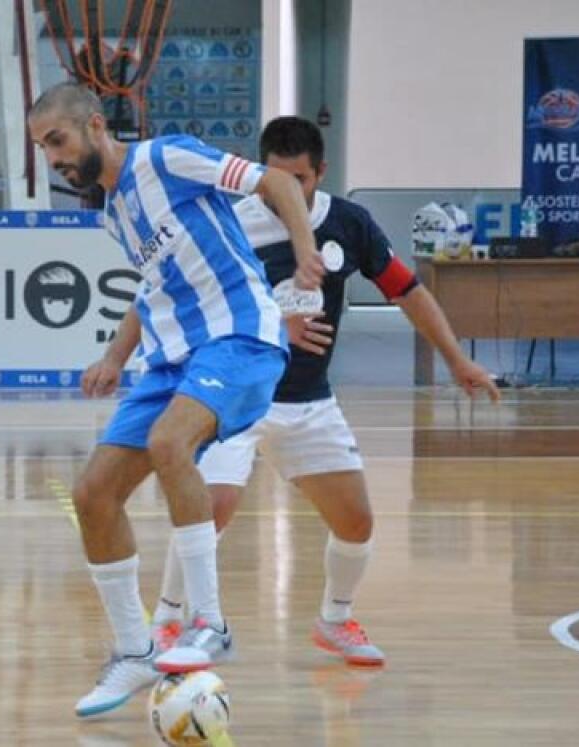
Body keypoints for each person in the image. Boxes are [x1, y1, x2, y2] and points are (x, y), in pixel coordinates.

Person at [149, 116, 500, 667]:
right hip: (237, 397)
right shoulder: (231, 223)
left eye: (300, 179)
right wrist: (273, 329)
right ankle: (169, 621)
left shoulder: (349, 223)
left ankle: (334, 620)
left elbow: (407, 291)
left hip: (309, 402)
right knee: (210, 509)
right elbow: (197, 307)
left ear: (321, 173)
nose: (287, 190)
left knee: (356, 522)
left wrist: (457, 359)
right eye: (277, 178)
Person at [27, 81, 325, 718]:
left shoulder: (166, 157)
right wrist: (115, 357)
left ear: (95, 125)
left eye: (56, 141)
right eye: (43, 149)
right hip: (172, 358)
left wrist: (304, 254)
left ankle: (210, 623)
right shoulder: (113, 212)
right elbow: (153, 289)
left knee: (169, 443)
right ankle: (135, 653)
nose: (52, 158)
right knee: (93, 495)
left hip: (239, 337)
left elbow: (276, 182)